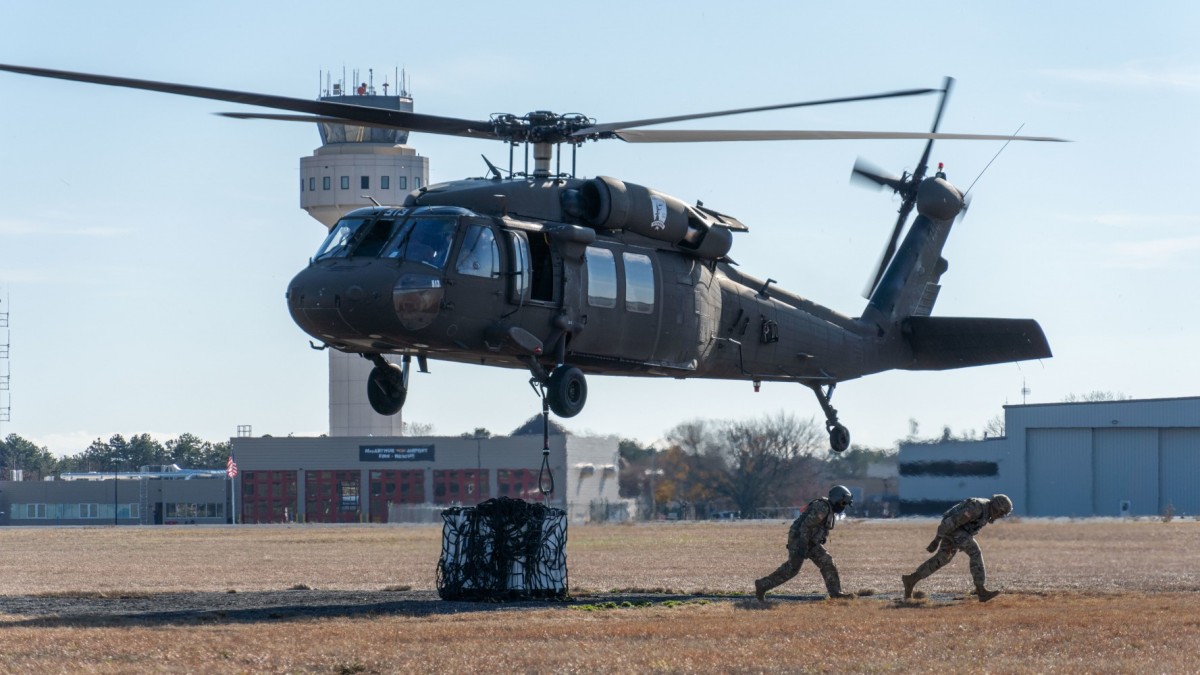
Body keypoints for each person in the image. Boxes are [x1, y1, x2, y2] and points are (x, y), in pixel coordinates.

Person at [902, 494, 1013, 602]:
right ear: (997, 508)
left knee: (942, 558)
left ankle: (911, 580)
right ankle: (981, 590)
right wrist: (936, 540)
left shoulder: (986, 512)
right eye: (1001, 513)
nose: (1000, 516)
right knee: (975, 552)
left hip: (957, 531)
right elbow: (950, 522)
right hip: (953, 529)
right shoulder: (977, 508)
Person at [754, 485, 856, 601]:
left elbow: (816, 527)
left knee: (827, 562)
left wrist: (820, 538)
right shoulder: (822, 508)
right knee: (792, 569)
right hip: (800, 539)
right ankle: (762, 585)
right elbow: (805, 526)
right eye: (842, 503)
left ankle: (836, 594)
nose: (842, 506)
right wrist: (802, 546)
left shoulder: (827, 508)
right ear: (836, 498)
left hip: (810, 541)